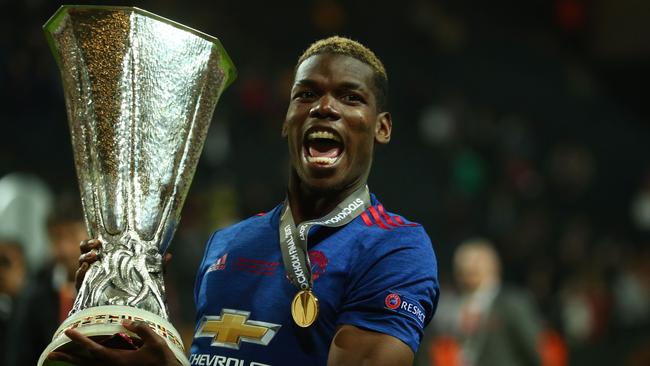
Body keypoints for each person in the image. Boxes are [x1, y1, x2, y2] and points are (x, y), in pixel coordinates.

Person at [49, 36, 440, 366]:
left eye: (350, 97)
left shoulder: (396, 248)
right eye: (306, 94)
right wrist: (123, 305)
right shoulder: (228, 242)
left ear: (382, 127)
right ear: (287, 119)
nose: (324, 107)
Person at [415, 238, 542, 366]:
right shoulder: (446, 306)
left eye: (476, 261)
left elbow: (536, 349)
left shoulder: (513, 302)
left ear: (494, 265)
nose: (468, 266)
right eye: (462, 262)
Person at [5, 193, 88, 366]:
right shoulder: (33, 296)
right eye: (56, 237)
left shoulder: (111, 291)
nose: (64, 248)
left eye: (72, 235)